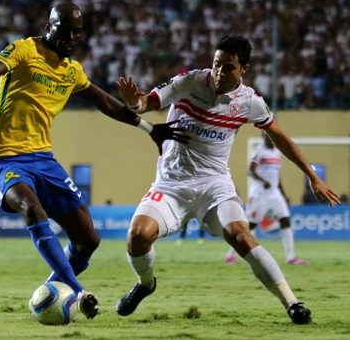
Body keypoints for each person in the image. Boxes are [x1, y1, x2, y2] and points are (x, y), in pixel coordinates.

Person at [0, 2, 187, 320]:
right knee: (31, 208)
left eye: (76, 32)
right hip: (5, 159)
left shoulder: (72, 71)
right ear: (48, 26)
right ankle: (77, 291)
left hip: (44, 160)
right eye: (63, 29)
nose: (70, 37)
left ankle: (50, 294)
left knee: (88, 240)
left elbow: (106, 102)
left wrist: (150, 129)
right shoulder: (25, 49)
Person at [114, 35, 340, 325]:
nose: (220, 72)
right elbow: (145, 103)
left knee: (242, 236)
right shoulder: (189, 82)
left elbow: (280, 138)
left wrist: (312, 175)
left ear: (244, 68)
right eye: (217, 64)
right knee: (137, 236)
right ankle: (145, 284)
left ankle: (292, 303)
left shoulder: (250, 102)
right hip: (171, 183)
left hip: (215, 186)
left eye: (228, 67)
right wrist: (133, 101)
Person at [225, 133, 306, 264]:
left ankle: (290, 257)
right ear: (263, 136)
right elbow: (250, 170)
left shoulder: (277, 152)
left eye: (271, 135)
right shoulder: (258, 150)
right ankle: (230, 254)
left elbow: (277, 175)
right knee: (250, 225)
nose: (270, 138)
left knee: (285, 220)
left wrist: (283, 194)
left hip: (274, 192)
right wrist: (263, 181)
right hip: (260, 193)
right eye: (267, 135)